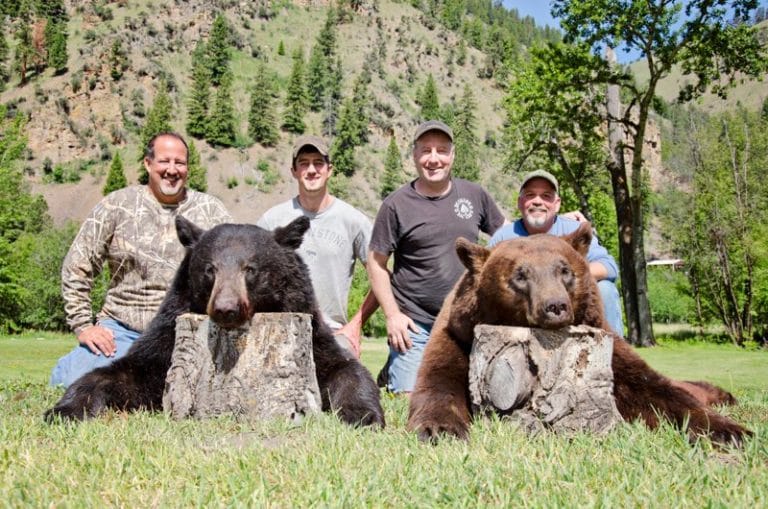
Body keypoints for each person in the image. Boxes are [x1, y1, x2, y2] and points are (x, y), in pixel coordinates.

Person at [50, 132, 232, 387]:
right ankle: (78, 363)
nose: (172, 170)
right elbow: (77, 266)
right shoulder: (116, 206)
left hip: (186, 332)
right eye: (164, 161)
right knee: (78, 383)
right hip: (122, 330)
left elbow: (234, 270)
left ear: (187, 168)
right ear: (148, 164)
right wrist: (83, 326)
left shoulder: (211, 212)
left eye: (179, 163)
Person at [367, 120, 507, 394]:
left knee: (481, 396)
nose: (433, 159)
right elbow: (376, 263)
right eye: (425, 151)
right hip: (414, 322)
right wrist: (392, 315)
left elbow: (509, 239)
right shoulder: (395, 205)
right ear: (415, 156)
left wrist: (559, 224)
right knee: (410, 398)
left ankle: (397, 366)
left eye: (441, 151)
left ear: (452, 156)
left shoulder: (474, 195)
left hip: (464, 320)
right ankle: (399, 364)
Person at [256, 136, 378, 357]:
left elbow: (381, 275)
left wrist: (356, 324)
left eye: (318, 163)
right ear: (294, 171)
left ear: (329, 170)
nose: (311, 170)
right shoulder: (271, 221)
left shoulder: (353, 220)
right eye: (304, 163)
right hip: (280, 331)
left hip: (332, 332)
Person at [488, 169, 625, 335]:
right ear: (520, 202)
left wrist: (565, 275)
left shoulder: (572, 229)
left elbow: (609, 267)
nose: (537, 201)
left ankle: (611, 349)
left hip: (568, 308)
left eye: (546, 196)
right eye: (530, 195)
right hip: (522, 312)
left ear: (557, 203)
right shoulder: (504, 237)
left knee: (605, 290)